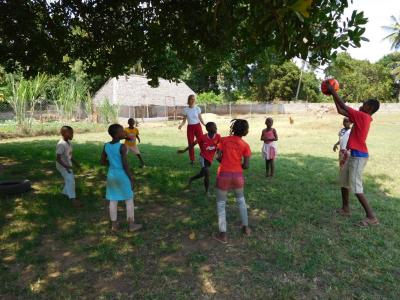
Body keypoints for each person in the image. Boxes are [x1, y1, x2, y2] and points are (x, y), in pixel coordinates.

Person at [326, 81, 380, 227]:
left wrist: (333, 90)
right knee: (344, 180)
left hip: (359, 156)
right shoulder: (361, 116)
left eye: (364, 103)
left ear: (368, 108)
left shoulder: (363, 116)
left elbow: (344, 106)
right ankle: (345, 208)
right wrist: (332, 94)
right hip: (353, 154)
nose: (361, 104)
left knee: (356, 187)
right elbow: (341, 111)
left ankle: (371, 217)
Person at [213, 119, 252, 244]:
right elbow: (246, 165)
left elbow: (217, 157)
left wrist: (225, 161)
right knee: (241, 201)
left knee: (221, 204)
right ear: (245, 131)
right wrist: (236, 163)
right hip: (237, 176)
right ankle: (246, 227)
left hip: (224, 174)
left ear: (233, 128)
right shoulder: (245, 145)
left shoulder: (223, 140)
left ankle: (223, 234)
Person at [101, 124, 142, 232]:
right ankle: (131, 224)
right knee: (129, 199)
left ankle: (114, 225)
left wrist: (113, 163)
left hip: (111, 175)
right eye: (122, 131)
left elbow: (103, 161)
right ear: (117, 134)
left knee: (113, 200)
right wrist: (131, 178)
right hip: (122, 175)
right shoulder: (122, 147)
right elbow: (125, 165)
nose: (125, 133)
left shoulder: (106, 146)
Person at [177, 122, 221, 196]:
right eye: (214, 127)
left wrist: (218, 154)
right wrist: (184, 151)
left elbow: (219, 146)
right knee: (207, 173)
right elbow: (192, 144)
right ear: (208, 129)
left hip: (210, 159)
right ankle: (207, 192)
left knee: (202, 174)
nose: (216, 128)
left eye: (216, 126)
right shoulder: (202, 137)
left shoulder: (218, 136)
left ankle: (191, 179)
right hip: (203, 158)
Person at [56, 126, 82, 208]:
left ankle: (65, 193)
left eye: (72, 133)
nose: (72, 134)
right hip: (62, 165)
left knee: (70, 179)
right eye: (70, 133)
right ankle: (73, 200)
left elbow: (70, 155)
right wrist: (66, 167)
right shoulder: (61, 144)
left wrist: (76, 163)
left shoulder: (69, 143)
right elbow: (58, 159)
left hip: (68, 164)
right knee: (71, 180)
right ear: (63, 134)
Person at [178, 94, 206, 165]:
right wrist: (181, 125)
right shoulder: (185, 110)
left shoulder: (197, 108)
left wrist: (204, 124)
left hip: (198, 126)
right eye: (191, 99)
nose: (193, 100)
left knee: (201, 142)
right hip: (190, 127)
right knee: (190, 144)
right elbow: (184, 120)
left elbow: (200, 118)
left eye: (194, 99)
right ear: (189, 100)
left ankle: (204, 157)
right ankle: (192, 160)